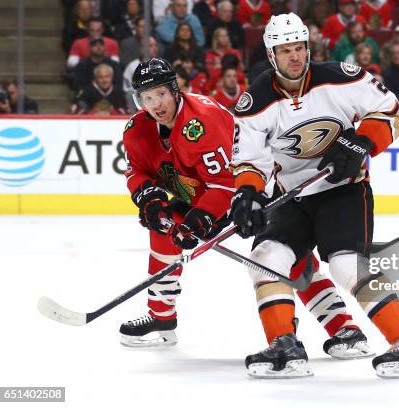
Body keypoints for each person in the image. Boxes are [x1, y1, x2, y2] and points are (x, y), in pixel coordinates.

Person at [230, 13, 399, 379]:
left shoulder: (341, 76)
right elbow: (249, 157)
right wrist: (248, 195)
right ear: (271, 54)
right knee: (264, 257)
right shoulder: (255, 100)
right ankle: (284, 346)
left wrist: (361, 141)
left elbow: (390, 112)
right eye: (284, 50)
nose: (294, 56)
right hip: (291, 196)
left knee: (344, 264)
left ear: (308, 48)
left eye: (299, 48)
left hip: (344, 190)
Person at [119, 58, 371, 354]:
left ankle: (344, 327)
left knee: (285, 254)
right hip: (202, 194)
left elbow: (228, 182)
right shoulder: (137, 128)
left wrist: (200, 219)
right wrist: (150, 199)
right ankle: (161, 317)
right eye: (147, 98)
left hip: (251, 190)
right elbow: (136, 170)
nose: (155, 104)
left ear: (175, 91)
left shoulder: (203, 119)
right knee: (162, 228)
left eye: (160, 94)